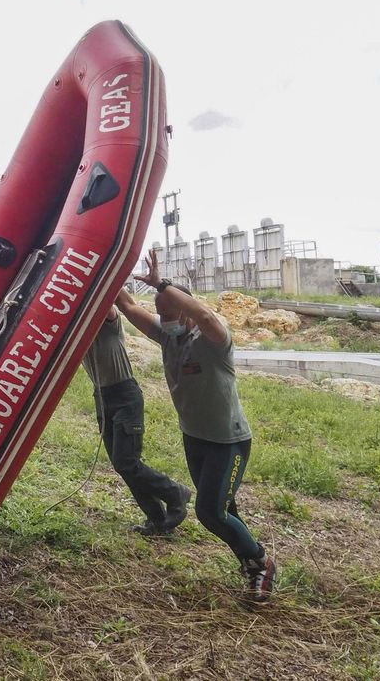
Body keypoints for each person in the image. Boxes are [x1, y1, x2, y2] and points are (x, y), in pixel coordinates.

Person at [118, 249, 277, 602]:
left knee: (209, 512)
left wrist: (161, 284)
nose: (163, 319)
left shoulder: (214, 342)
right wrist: (107, 268)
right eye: (160, 313)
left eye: (169, 313)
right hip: (195, 439)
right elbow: (128, 307)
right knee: (225, 509)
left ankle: (260, 563)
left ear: (185, 310)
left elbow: (205, 315)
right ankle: (249, 561)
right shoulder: (168, 338)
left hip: (228, 441)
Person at [79, 301, 191, 536]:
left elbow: (106, 302)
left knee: (127, 462)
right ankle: (158, 520)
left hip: (124, 395)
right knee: (123, 465)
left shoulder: (108, 323)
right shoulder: (77, 334)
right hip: (101, 397)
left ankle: (175, 492)